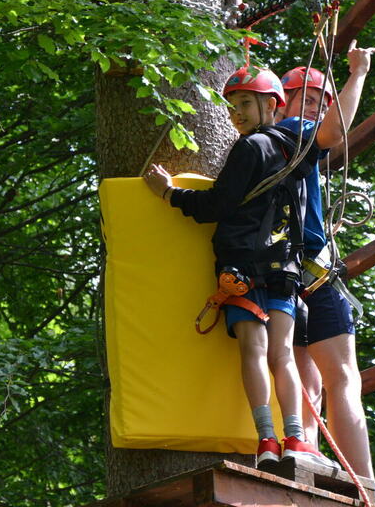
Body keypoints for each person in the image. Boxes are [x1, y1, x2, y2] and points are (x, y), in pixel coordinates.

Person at [143, 65, 334, 470]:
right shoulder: (297, 152)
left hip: (241, 268)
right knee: (282, 354)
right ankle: (295, 439)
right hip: (283, 267)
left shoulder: (250, 147)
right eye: (233, 107)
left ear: (272, 105)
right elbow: (332, 133)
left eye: (245, 103)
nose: (237, 114)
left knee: (255, 350)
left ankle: (266, 440)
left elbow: (215, 205)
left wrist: (169, 194)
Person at [278, 44, 375, 507]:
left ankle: (307, 457)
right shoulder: (293, 132)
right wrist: (359, 73)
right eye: (307, 100)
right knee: (341, 377)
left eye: (320, 102)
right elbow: (335, 131)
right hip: (308, 271)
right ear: (282, 104)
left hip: (286, 274)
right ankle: (367, 487)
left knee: (307, 374)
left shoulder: (266, 147)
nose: (315, 109)